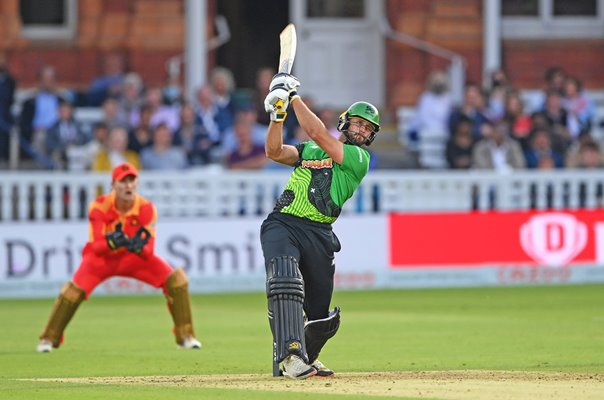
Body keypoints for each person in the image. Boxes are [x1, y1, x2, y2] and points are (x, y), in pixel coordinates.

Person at [260, 73, 380, 379]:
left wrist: (292, 95)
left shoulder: (358, 158)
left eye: (368, 129)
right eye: (358, 123)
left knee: (320, 317)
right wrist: (277, 115)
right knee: (286, 283)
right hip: (284, 223)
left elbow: (315, 131)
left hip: (319, 234)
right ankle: (290, 358)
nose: (362, 130)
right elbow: (274, 152)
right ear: (344, 122)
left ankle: (305, 356)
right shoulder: (310, 152)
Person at [36, 162, 201, 352]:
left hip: (133, 259)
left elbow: (149, 251)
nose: (128, 186)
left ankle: (186, 337)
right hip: (102, 260)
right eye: (123, 181)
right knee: (71, 293)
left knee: (177, 281)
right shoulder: (99, 206)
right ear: (113, 185)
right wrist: (113, 242)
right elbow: (97, 246)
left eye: (132, 180)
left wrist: (137, 247)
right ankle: (48, 339)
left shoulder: (147, 208)